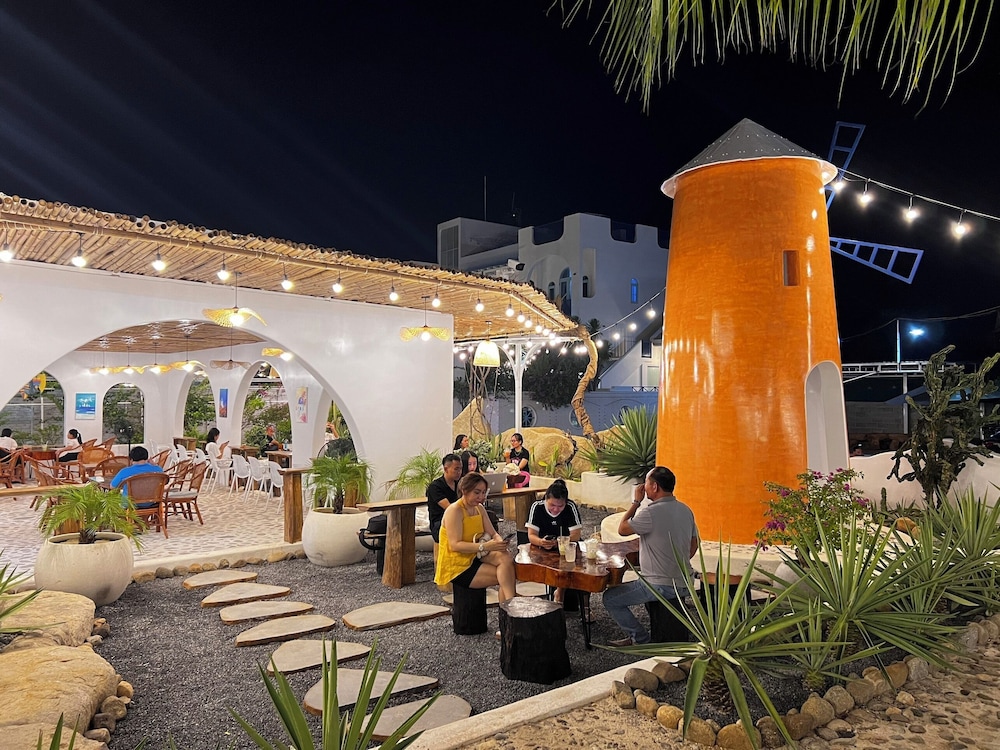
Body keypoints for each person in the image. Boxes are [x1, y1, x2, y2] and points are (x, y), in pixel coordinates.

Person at [603, 466, 700, 647]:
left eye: (646, 483)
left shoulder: (650, 513)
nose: (643, 487)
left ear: (654, 487)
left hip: (659, 585)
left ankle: (640, 640)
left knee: (610, 598)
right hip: (685, 581)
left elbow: (622, 529)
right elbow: (694, 544)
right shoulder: (686, 510)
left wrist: (636, 502)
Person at [434, 472, 516, 611]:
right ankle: (511, 608)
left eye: (484, 493)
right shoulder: (455, 510)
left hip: (476, 555)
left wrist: (500, 542)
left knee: (505, 557)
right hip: (457, 564)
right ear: (464, 490)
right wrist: (485, 546)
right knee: (506, 575)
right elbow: (455, 545)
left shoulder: (479, 508)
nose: (481, 497)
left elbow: (493, 533)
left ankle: (510, 607)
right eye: (477, 492)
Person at [526, 479, 583, 604]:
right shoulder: (537, 507)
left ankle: (562, 593)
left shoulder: (570, 507)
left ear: (566, 502)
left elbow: (576, 535)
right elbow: (531, 535)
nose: (556, 509)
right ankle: (558, 592)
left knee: (573, 564)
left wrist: (561, 542)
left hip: (567, 547)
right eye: (552, 505)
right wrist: (541, 542)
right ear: (546, 499)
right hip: (544, 548)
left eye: (560, 506)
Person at [427, 453, 463, 565]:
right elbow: (450, 508)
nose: (459, 472)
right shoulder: (435, 487)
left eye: (460, 469)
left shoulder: (460, 484)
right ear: (446, 469)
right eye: (456, 469)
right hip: (440, 523)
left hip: (460, 518)